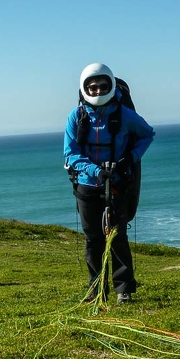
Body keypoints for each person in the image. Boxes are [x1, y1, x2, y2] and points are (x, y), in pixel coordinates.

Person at [63, 63, 155, 304]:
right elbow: (70, 153)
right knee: (93, 238)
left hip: (117, 183)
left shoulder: (124, 115)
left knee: (117, 236)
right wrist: (94, 171)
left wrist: (128, 160)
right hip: (87, 185)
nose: (97, 91)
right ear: (84, 89)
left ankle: (123, 289)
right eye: (92, 87)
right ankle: (96, 290)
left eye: (102, 86)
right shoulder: (77, 116)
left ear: (112, 86)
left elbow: (147, 134)